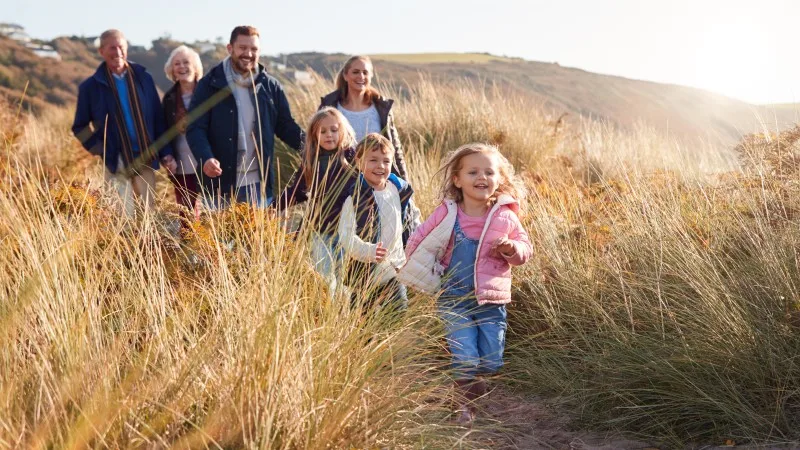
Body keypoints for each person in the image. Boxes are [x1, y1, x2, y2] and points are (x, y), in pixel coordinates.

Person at [398, 143, 532, 425]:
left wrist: (511, 249)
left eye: (489, 172)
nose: (481, 177)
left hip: (491, 300)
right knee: (466, 356)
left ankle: (474, 388)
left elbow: (525, 249)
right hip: (453, 296)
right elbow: (419, 239)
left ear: (499, 180)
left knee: (492, 359)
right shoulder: (447, 214)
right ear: (457, 180)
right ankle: (464, 405)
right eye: (472, 172)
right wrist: (423, 268)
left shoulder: (505, 216)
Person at [186, 25, 304, 208]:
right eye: (242, 48)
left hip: (259, 186)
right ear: (230, 48)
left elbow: (286, 126)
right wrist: (205, 157)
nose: (248, 53)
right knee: (219, 237)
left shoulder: (270, 86)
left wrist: (313, 146)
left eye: (254, 49)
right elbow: (195, 128)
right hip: (219, 184)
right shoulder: (209, 84)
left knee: (258, 237)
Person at [72, 29, 176, 216]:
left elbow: (157, 117)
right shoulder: (90, 87)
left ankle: (147, 246)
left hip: (145, 156)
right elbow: (79, 127)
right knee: (122, 217)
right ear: (101, 51)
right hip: (115, 161)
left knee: (147, 216)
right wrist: (101, 149)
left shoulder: (144, 78)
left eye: (121, 47)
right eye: (112, 48)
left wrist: (166, 152)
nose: (118, 52)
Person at [276, 107, 357, 294]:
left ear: (342, 131)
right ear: (315, 135)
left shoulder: (352, 157)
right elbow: (297, 191)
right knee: (325, 279)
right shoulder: (311, 161)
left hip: (348, 230)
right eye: (323, 131)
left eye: (334, 130)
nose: (329, 135)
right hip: (321, 231)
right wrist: (274, 207)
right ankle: (330, 315)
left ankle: (346, 318)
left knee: (346, 280)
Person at [338, 134, 420, 314]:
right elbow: (346, 235)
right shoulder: (355, 198)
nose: (381, 166)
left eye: (386, 161)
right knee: (361, 321)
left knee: (398, 313)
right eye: (373, 160)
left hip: (393, 270)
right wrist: (368, 251)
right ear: (359, 163)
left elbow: (412, 218)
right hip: (365, 274)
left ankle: (388, 342)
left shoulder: (398, 190)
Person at [318, 56, 409, 179]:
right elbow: (315, 144)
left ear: (371, 76)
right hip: (339, 180)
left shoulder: (381, 107)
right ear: (345, 75)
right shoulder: (330, 106)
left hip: (376, 179)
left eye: (365, 72)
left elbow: (395, 148)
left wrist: (405, 184)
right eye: (355, 72)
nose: (361, 76)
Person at [162, 45, 203, 230]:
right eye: (177, 63)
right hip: (182, 164)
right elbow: (163, 131)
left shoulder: (207, 92)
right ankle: (190, 252)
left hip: (209, 160)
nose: (181, 67)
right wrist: (167, 156)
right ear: (172, 70)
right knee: (186, 214)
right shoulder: (169, 98)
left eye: (186, 62)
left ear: (195, 66)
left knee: (214, 210)